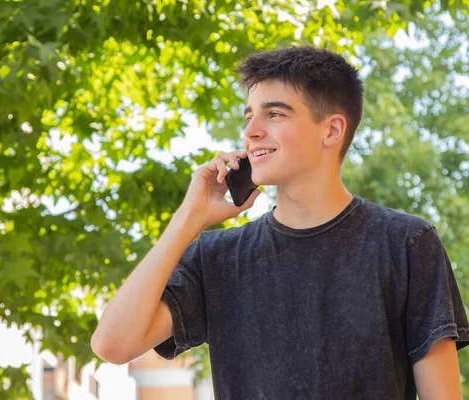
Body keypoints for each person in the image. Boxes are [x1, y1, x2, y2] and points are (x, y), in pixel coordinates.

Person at [90, 45, 469, 399]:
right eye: (249, 116)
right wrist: (190, 217)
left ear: (332, 130)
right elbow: (113, 344)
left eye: (274, 114)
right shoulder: (217, 257)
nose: (252, 131)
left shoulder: (406, 243)